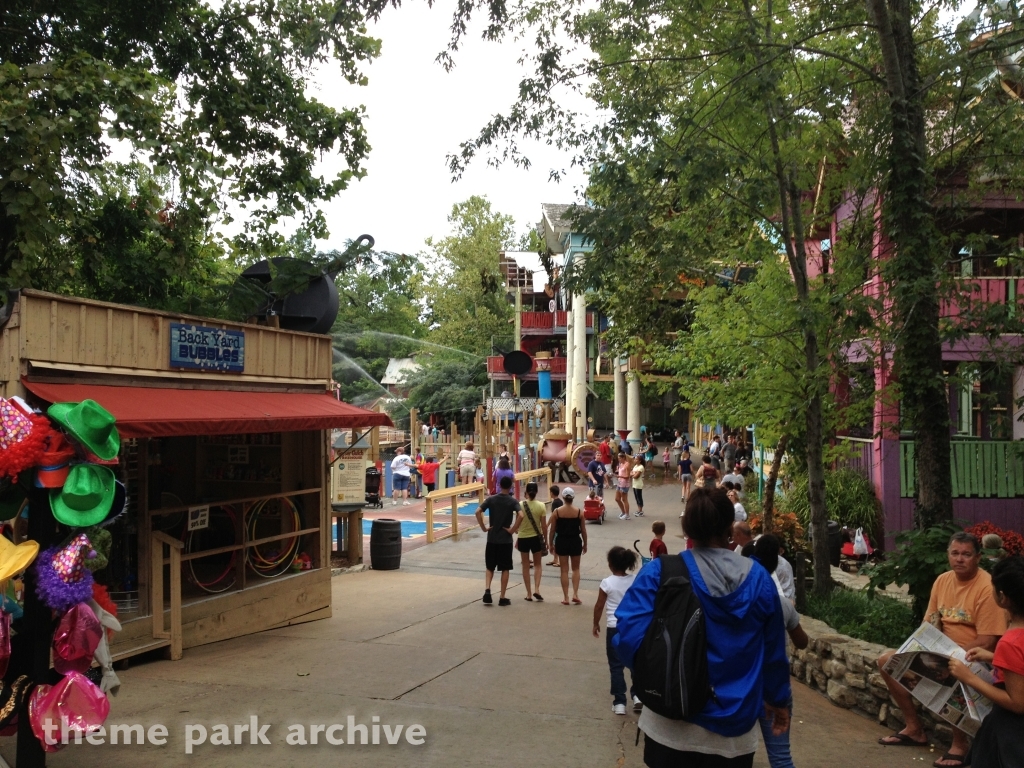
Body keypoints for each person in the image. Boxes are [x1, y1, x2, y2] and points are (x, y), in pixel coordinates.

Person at [614, 487, 792, 768]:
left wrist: (655, 672)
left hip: (669, 725)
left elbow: (627, 639)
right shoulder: (759, 580)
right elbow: (774, 654)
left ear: (687, 529)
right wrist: (778, 700)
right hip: (734, 732)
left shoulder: (660, 573)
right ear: (730, 529)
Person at [878, 531, 1007, 766]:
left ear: (978, 557)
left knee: (952, 669)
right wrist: (920, 647)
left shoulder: (986, 586)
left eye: (966, 554)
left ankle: (959, 745)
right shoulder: (942, 580)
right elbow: (929, 623)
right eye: (955, 553)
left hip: (975, 656)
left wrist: (949, 654)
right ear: (948, 555)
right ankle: (914, 729)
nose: (959, 559)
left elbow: (988, 641)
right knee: (886, 661)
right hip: (940, 648)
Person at [947, 555, 1024, 767]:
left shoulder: (1011, 642)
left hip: (1011, 734)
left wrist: (969, 678)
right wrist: (993, 657)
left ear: (1002, 597)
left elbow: (1018, 703)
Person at [746, 535, 809, 768]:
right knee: (781, 756)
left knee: (738, 753)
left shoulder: (739, 601)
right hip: (774, 687)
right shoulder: (781, 604)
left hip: (743, 684)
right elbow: (802, 642)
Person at [594, 546, 640, 715]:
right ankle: (638, 696)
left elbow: (599, 606)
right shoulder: (634, 580)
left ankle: (620, 702)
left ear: (611, 564)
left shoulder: (607, 583)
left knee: (616, 666)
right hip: (632, 627)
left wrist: (595, 623)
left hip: (614, 627)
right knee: (635, 664)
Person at [475, 475, 522, 607]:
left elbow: (478, 511)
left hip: (492, 538)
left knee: (490, 566)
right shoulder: (512, 501)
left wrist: (484, 528)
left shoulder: (491, 499)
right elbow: (521, 515)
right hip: (505, 540)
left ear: (500, 485)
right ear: (510, 486)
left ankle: (487, 590)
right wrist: (513, 530)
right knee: (505, 568)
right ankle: (502, 596)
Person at [550, 487, 587, 605]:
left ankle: (566, 597)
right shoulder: (579, 512)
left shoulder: (557, 512)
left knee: (564, 570)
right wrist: (585, 544)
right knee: (576, 569)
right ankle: (575, 594)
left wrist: (550, 544)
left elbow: (552, 530)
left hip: (561, 541)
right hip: (575, 541)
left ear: (563, 497)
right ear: (573, 498)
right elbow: (583, 530)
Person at [517, 481, 548, 602]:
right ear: (536, 492)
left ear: (526, 492)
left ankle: (529, 593)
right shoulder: (541, 506)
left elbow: (517, 522)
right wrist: (546, 540)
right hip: (536, 538)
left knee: (525, 565)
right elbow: (544, 526)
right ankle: (537, 589)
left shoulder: (520, 505)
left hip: (523, 538)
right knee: (538, 565)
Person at [547, 484, 563, 568]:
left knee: (556, 542)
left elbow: (553, 515)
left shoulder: (555, 503)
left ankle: (559, 560)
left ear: (552, 493)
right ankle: (555, 559)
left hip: (556, 525)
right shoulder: (560, 501)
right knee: (555, 542)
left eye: (550, 492)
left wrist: (548, 524)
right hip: (560, 523)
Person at [615, 452, 632, 519]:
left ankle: (627, 515)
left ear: (623, 458)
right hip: (619, 483)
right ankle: (623, 512)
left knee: (624, 499)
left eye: (620, 458)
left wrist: (619, 476)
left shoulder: (627, 465)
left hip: (625, 484)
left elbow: (628, 476)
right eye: (618, 458)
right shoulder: (620, 464)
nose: (618, 459)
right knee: (617, 499)